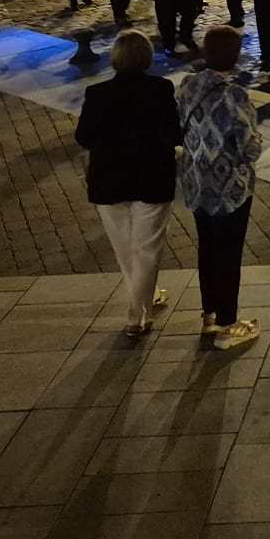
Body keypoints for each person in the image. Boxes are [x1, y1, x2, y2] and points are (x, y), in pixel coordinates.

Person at [74, 28, 180, 337]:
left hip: (109, 179)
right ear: (146, 57)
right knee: (147, 249)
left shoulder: (97, 93)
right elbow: (173, 134)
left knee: (125, 250)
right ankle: (137, 313)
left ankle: (143, 300)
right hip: (151, 177)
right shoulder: (160, 89)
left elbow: (83, 136)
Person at [175, 25, 264, 346]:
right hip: (228, 189)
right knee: (229, 253)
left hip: (197, 182)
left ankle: (210, 315)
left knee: (209, 248)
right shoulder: (234, 95)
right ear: (235, 57)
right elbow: (249, 148)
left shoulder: (188, 86)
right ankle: (227, 326)